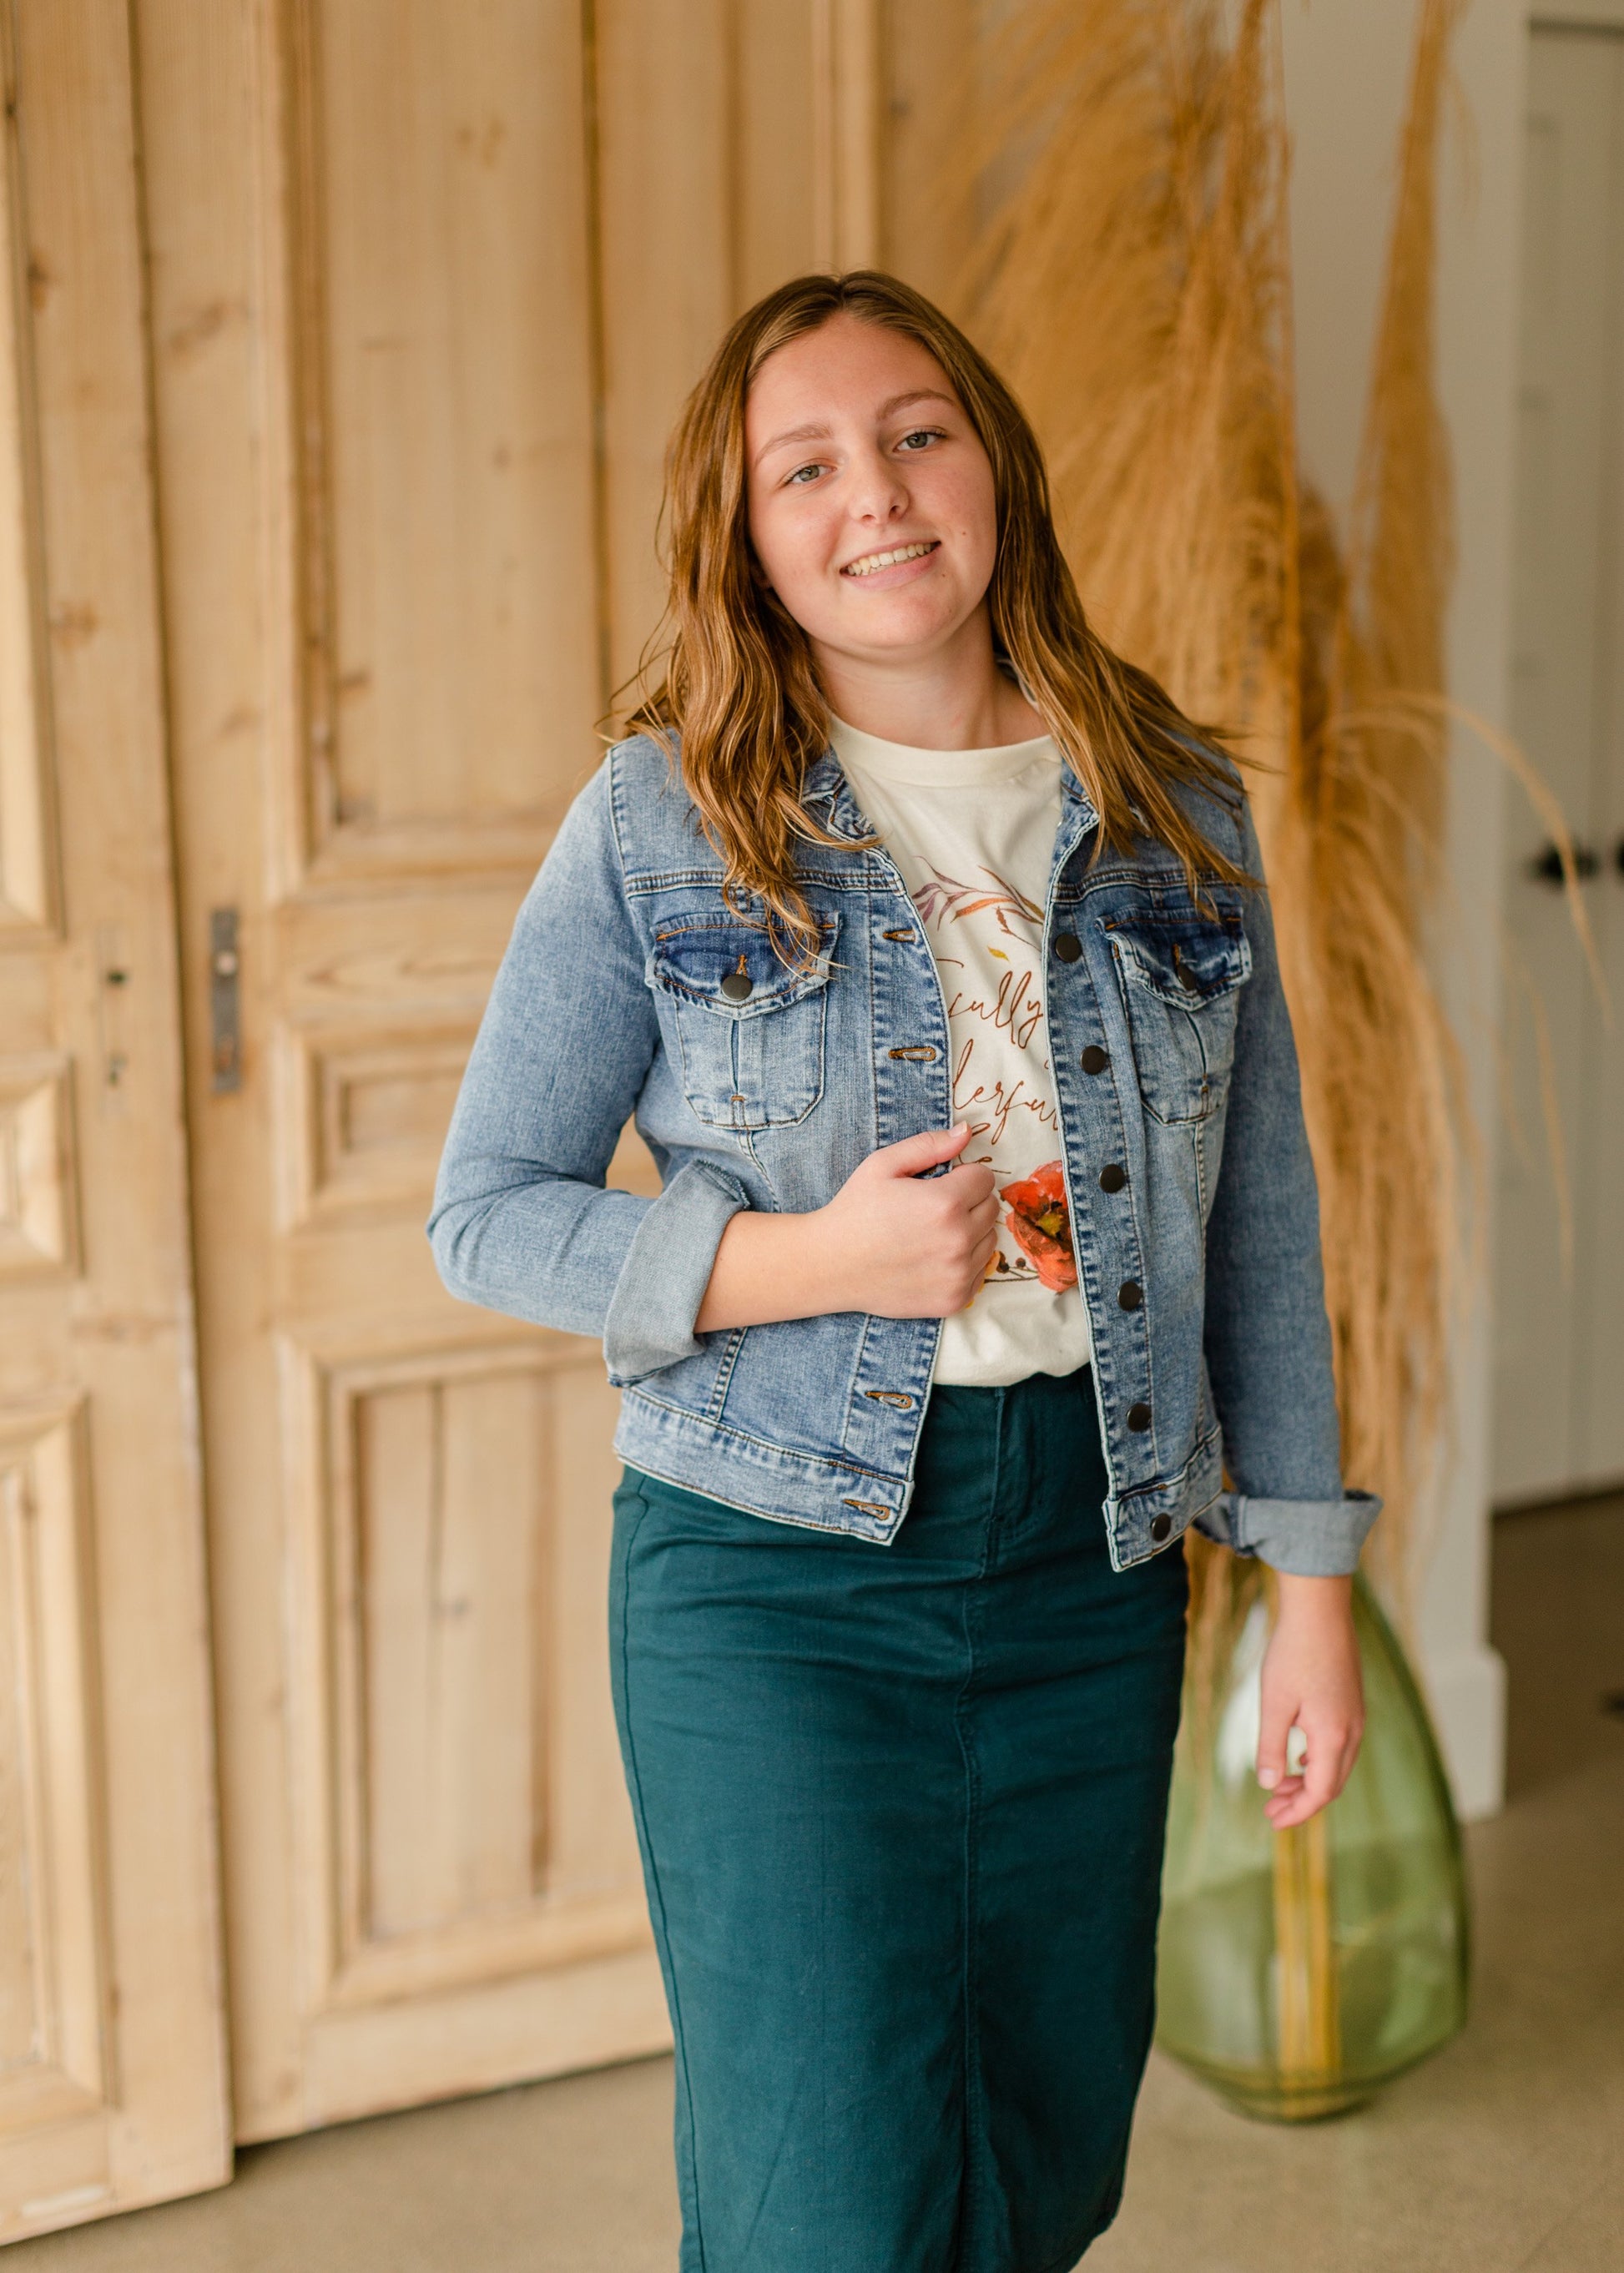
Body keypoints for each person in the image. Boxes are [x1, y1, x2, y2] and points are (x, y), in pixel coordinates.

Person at [428, 270, 1378, 2273]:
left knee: (1037, 2167)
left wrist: (1310, 1595)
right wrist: (806, 1259)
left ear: (992, 466)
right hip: (774, 1583)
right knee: (825, 2202)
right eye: (806, 465)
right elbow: (488, 1210)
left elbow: (1261, 1228)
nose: (875, 493)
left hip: (1091, 1568)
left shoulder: (1178, 807)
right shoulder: (663, 817)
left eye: (915, 431)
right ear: (748, 535)